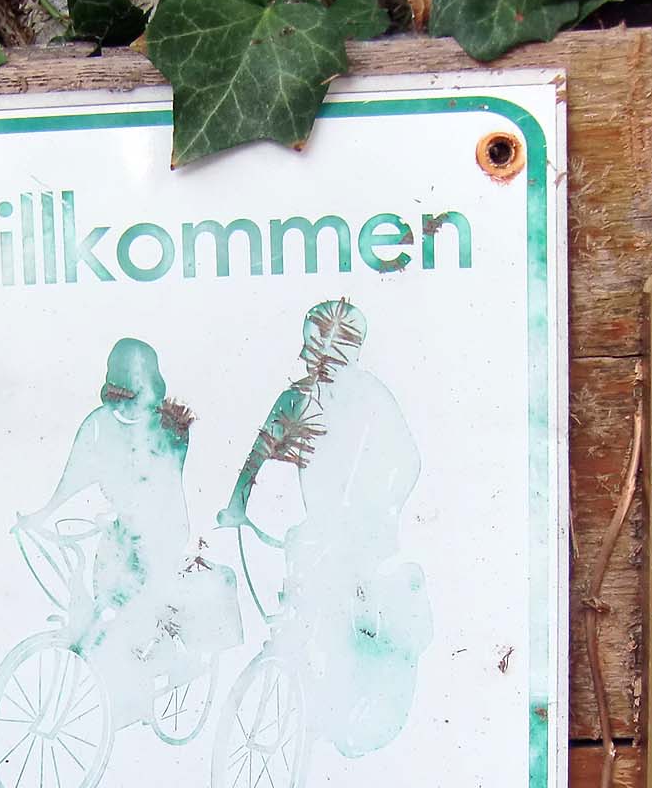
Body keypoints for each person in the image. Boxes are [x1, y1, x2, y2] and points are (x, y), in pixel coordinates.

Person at [218, 302, 432, 757]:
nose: (313, 357)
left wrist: (379, 509)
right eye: (310, 346)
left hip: (365, 536)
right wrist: (237, 503)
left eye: (324, 347)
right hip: (316, 532)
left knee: (347, 623)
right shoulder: (297, 398)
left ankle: (351, 706)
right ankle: (307, 692)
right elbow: (261, 450)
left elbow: (408, 461)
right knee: (299, 611)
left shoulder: (373, 397)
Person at [21, 339, 234, 725]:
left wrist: (136, 515)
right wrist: (42, 515)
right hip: (120, 532)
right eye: (119, 396)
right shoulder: (98, 424)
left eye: (135, 395)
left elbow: (164, 484)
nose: (125, 408)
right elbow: (73, 475)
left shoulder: (168, 430)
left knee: (131, 609)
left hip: (162, 531)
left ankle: (165, 663)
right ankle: (128, 684)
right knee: (102, 606)